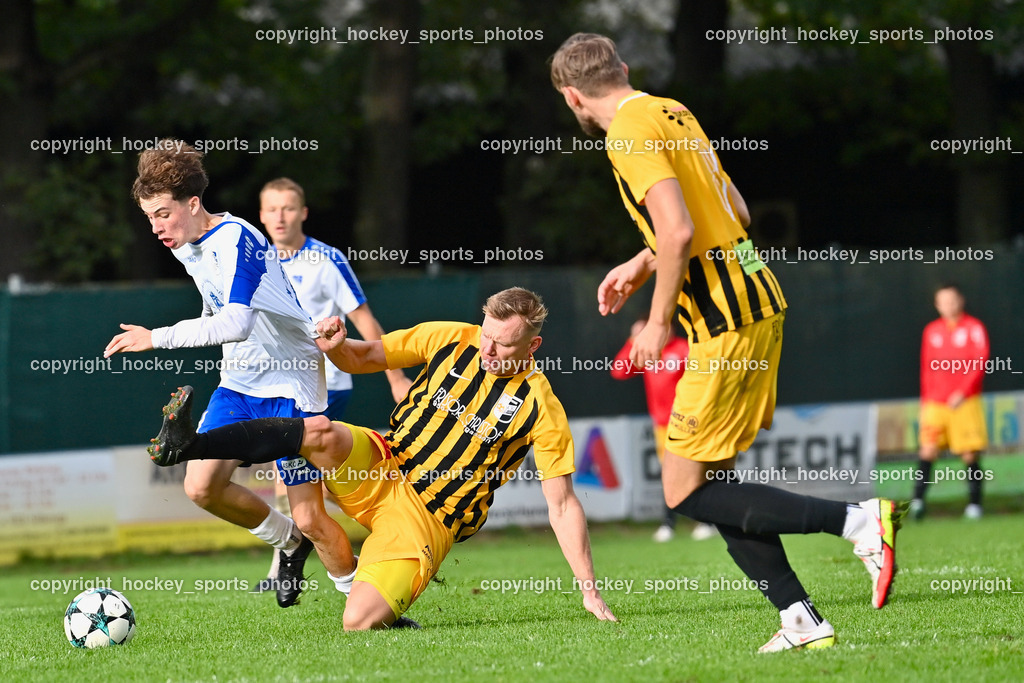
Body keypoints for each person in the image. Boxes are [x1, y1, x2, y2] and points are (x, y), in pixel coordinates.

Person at [550, 33, 904, 653]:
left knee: (684, 490)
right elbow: (733, 211)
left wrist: (658, 322)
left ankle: (857, 520)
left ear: (572, 95)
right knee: (717, 482)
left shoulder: (626, 133)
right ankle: (799, 618)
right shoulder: (671, 108)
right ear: (624, 70)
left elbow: (680, 229)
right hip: (756, 299)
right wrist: (641, 263)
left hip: (722, 321)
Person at [147, 287, 618, 630]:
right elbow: (368, 355)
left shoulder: (541, 407)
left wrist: (588, 588)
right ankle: (193, 446)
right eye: (487, 336)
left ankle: (379, 595)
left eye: (503, 344)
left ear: (533, 346)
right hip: (382, 461)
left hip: (426, 517)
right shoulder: (454, 337)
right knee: (320, 433)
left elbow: (561, 505)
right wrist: (338, 346)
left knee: (359, 622)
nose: (488, 350)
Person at [104, 139, 327, 609]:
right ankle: (289, 543)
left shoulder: (236, 237)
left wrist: (156, 337)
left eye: (163, 214)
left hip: (291, 379)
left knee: (316, 516)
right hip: (242, 379)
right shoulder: (187, 243)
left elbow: (237, 321)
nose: (156, 227)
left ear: (192, 203)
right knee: (200, 487)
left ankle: (368, 599)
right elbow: (218, 307)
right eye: (149, 217)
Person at [254, 178, 412, 592]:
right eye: (273, 209)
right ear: (261, 215)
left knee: (307, 474)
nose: (281, 216)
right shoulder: (256, 260)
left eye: (289, 208)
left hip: (327, 385)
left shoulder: (325, 259)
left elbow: (364, 319)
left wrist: (395, 376)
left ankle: (396, 533)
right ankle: (306, 559)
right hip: (277, 386)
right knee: (299, 475)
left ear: (303, 212)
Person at [611, 319, 715, 542]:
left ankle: (706, 521)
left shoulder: (683, 348)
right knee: (669, 475)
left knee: (696, 471)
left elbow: (706, 377)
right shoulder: (648, 351)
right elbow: (619, 371)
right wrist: (634, 340)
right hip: (662, 426)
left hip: (690, 422)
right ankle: (668, 524)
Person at [912, 283, 989, 520]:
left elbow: (980, 361)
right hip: (935, 403)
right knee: (928, 449)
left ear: (961, 301)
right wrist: (925, 401)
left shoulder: (974, 328)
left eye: (952, 300)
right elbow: (926, 367)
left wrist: (963, 392)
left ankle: (975, 505)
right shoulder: (931, 331)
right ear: (937, 305)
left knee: (969, 454)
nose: (948, 305)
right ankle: (917, 502)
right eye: (943, 302)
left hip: (964, 402)